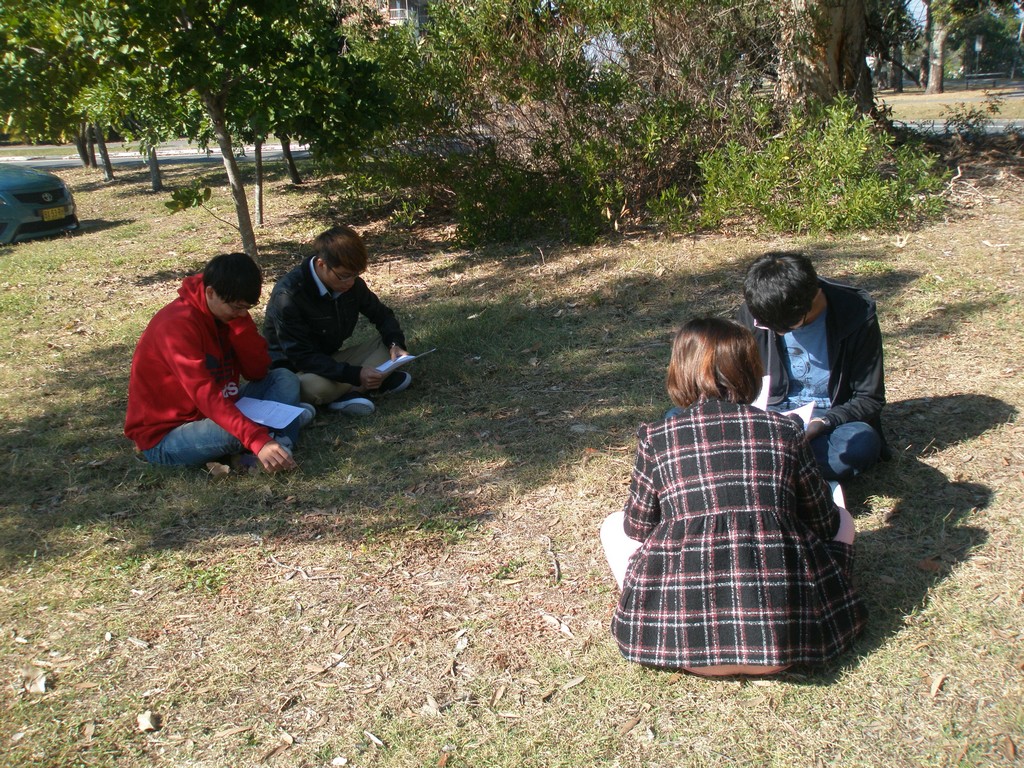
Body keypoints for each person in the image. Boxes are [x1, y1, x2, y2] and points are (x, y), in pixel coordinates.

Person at [602, 318, 866, 676]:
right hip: (786, 645)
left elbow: (636, 528)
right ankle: (825, 595)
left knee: (612, 526)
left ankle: (647, 610)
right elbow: (824, 522)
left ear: (679, 371)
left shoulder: (658, 437)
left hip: (681, 649)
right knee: (844, 514)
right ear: (751, 371)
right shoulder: (785, 430)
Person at [125, 252, 312, 473]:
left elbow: (257, 371)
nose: (241, 313)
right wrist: (255, 437)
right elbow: (205, 396)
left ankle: (271, 443)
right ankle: (275, 437)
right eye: (236, 307)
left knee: (284, 378)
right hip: (168, 435)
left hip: (222, 408)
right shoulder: (176, 325)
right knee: (232, 431)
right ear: (210, 292)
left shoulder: (231, 314)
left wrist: (241, 329)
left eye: (246, 308)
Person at [736, 251, 887, 481]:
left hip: (828, 422)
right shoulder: (759, 312)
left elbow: (869, 398)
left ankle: (764, 465)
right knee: (677, 418)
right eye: (765, 325)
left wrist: (823, 422)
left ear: (812, 298)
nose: (772, 331)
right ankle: (787, 466)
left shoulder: (855, 313)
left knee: (861, 445)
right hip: (770, 416)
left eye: (785, 328)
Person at [264, 225, 412, 416]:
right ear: (321, 264)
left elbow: (381, 315)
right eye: (343, 276)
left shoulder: (351, 285)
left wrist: (395, 344)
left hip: (330, 362)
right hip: (297, 373)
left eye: (355, 275)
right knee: (315, 388)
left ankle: (353, 392)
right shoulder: (288, 296)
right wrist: (355, 374)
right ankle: (367, 386)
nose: (350, 282)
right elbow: (301, 356)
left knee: (388, 349)